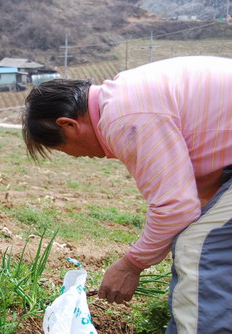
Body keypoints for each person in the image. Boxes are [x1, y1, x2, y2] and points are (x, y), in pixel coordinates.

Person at [22, 56, 232, 333]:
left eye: (63, 150)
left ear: (69, 125)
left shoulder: (123, 116)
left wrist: (130, 265)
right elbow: (199, 190)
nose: (78, 157)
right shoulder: (124, 95)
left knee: (197, 247)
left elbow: (176, 207)